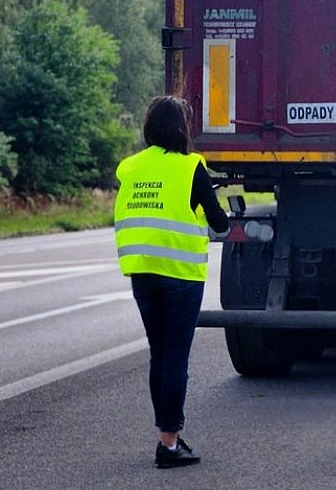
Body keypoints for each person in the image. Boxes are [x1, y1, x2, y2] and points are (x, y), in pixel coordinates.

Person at [113, 95, 229, 469]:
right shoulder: (190, 167)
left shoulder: (129, 168)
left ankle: (167, 436)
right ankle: (169, 442)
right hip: (180, 274)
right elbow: (218, 221)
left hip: (143, 271)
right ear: (182, 128)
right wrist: (224, 221)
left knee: (158, 355)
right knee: (176, 357)